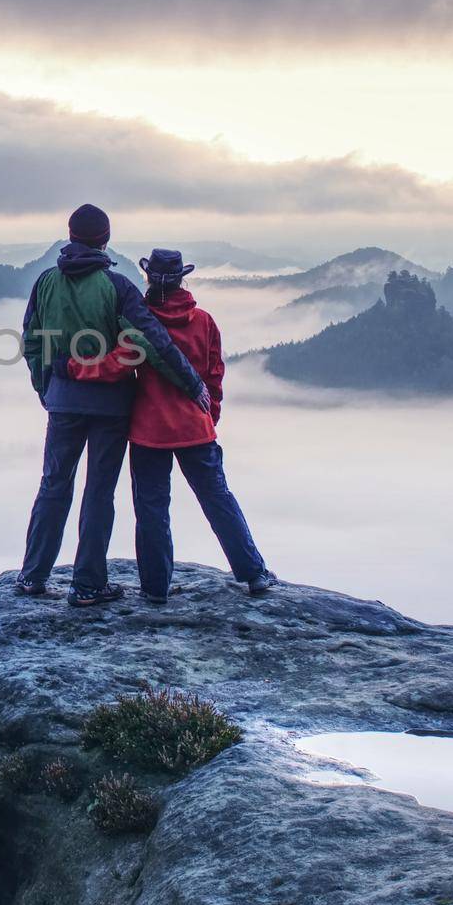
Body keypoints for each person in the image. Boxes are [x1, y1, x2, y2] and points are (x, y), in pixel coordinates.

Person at [18, 206, 212, 607]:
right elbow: (154, 341)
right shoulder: (117, 287)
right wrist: (193, 384)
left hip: (63, 404)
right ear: (105, 240)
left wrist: (46, 388)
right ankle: (88, 584)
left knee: (53, 484)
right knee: (98, 491)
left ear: (71, 236)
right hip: (111, 408)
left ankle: (33, 576)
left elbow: (32, 340)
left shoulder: (45, 283)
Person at [69, 248, 276, 600]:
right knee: (217, 499)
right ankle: (253, 573)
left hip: (149, 431)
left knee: (151, 510)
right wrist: (209, 418)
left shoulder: (140, 325)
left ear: (148, 278)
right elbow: (214, 378)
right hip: (196, 429)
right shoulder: (204, 322)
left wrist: (73, 367)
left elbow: (115, 366)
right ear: (183, 278)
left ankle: (155, 589)